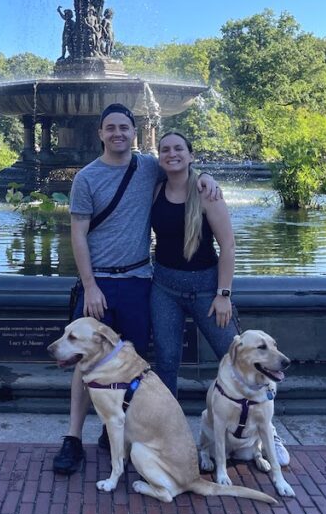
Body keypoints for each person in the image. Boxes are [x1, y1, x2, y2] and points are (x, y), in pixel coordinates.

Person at [52, 104, 221, 475]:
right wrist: (90, 285)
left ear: (134, 132)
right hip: (99, 283)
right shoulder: (86, 178)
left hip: (139, 280)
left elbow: (182, 167)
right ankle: (73, 438)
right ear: (100, 133)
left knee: (132, 361)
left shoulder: (147, 166)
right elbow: (77, 234)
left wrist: (207, 177)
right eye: (110, 127)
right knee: (84, 361)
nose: (118, 133)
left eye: (124, 128)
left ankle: (119, 430)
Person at [149, 130, 289, 467]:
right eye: (165, 150)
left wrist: (223, 294)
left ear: (191, 155)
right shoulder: (155, 187)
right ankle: (171, 436)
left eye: (179, 149)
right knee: (166, 362)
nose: (172, 154)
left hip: (207, 289)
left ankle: (268, 431)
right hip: (164, 287)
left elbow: (228, 245)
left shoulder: (206, 193)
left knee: (240, 357)